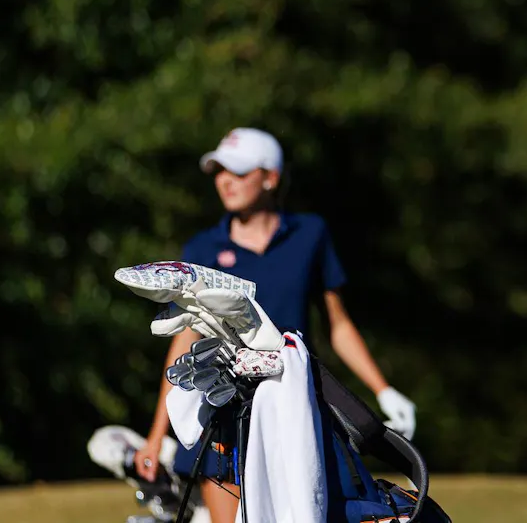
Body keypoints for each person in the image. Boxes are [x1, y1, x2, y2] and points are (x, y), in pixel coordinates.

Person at [132, 127, 417, 523]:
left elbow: (338, 325)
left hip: (296, 406)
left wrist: (383, 391)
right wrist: (156, 434)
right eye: (218, 172)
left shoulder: (310, 235)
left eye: (238, 171)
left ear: (270, 177)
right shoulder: (202, 249)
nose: (224, 181)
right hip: (223, 418)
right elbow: (186, 338)